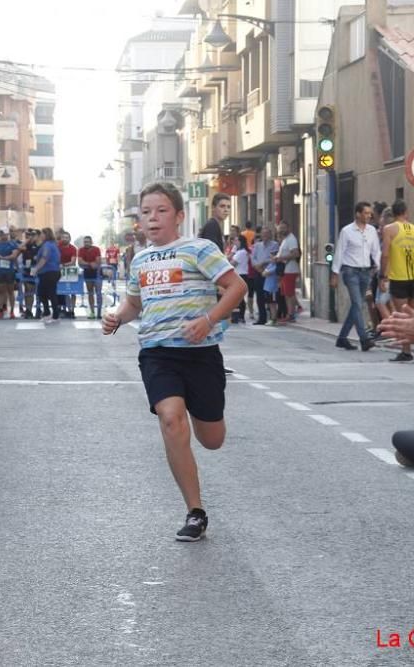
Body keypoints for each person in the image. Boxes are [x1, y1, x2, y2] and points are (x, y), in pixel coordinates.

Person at [102, 182, 246, 541]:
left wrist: (208, 320)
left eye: (161, 210)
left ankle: (207, 422)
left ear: (179, 216)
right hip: (157, 353)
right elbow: (134, 304)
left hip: (201, 354)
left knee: (212, 439)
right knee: (170, 420)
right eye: (146, 212)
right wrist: (117, 316)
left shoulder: (199, 249)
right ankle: (195, 511)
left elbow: (237, 287)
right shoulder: (139, 260)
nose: (152, 218)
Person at [332, 202, 381, 351]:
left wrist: (379, 268)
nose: (369, 216)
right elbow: (339, 252)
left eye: (370, 213)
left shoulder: (372, 230)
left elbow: (376, 251)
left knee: (356, 305)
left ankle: (342, 338)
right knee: (358, 304)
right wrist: (335, 273)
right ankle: (364, 339)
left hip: (365, 272)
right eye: (366, 213)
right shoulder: (347, 231)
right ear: (358, 214)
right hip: (350, 271)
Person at [381, 200, 414, 362]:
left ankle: (406, 351)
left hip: (398, 276)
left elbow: (385, 254)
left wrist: (382, 275)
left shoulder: (389, 229)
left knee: (402, 315)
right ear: (406, 212)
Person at [250, 226, 278, 325]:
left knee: (269, 296)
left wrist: (262, 263)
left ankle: (273, 317)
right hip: (258, 273)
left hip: (269, 273)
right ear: (261, 235)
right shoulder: (257, 245)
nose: (265, 235)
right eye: (263, 233)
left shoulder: (275, 245)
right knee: (259, 296)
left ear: (270, 234)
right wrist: (258, 267)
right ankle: (262, 318)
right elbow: (253, 258)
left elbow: (274, 258)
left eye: (267, 233)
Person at [32, 228, 62, 320]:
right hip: (51, 272)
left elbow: (44, 258)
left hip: (49, 272)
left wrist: (36, 269)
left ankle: (53, 314)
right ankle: (48, 313)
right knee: (43, 293)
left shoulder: (47, 245)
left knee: (48, 293)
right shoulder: (52, 245)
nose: (40, 235)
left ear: (46, 234)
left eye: (42, 234)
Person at [275, 220, 301, 324]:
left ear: (288, 228)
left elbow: (296, 253)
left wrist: (281, 258)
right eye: (281, 228)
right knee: (286, 293)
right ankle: (289, 314)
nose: (282, 230)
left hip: (290, 269)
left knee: (289, 293)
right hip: (285, 270)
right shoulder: (285, 239)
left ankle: (292, 314)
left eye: (284, 228)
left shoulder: (291, 239)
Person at [0, 229, 20, 319]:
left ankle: (12, 312)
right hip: (0, 271)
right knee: (0, 292)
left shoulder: (13, 244)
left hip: (10, 271)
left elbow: (14, 256)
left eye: (5, 234)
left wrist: (3, 258)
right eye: (2, 234)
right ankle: (0, 310)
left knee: (10, 292)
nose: (4, 236)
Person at [78, 235, 102, 319]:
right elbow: (80, 262)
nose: (86, 243)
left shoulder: (96, 249)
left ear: (91, 242)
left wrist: (89, 263)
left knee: (98, 293)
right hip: (87, 273)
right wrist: (90, 264)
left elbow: (98, 262)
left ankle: (99, 312)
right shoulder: (81, 250)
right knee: (90, 293)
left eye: (88, 242)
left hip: (97, 274)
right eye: (85, 242)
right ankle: (92, 312)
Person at [229, 235, 251, 323]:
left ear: (241, 242)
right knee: (238, 296)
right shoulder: (239, 252)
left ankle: (240, 315)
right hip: (239, 274)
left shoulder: (241, 252)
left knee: (239, 297)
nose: (235, 242)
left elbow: (232, 263)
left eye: (236, 240)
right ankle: (238, 315)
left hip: (241, 274)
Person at [19, 229, 40, 318]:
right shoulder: (27, 244)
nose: (31, 236)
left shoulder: (39, 245)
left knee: (37, 291)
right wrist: (27, 240)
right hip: (27, 270)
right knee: (28, 291)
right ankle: (28, 310)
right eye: (30, 235)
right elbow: (20, 247)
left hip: (37, 269)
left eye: (33, 235)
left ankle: (38, 309)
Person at [58, 231, 78, 317]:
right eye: (63, 237)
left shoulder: (73, 248)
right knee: (61, 290)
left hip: (71, 271)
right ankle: (62, 309)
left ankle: (72, 310)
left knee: (72, 291)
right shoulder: (57, 247)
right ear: (61, 238)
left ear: (70, 239)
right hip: (59, 271)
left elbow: (73, 262)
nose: (65, 239)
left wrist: (63, 265)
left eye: (67, 237)